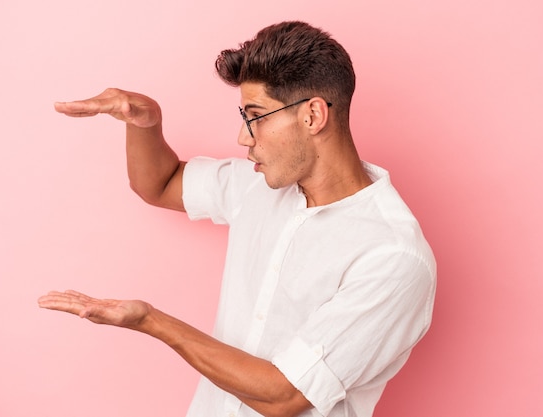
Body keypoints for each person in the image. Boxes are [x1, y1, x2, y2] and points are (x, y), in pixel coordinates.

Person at [38, 21, 437, 417]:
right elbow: (160, 184)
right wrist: (147, 123)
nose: (244, 138)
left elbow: (285, 395)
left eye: (257, 115)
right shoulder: (260, 185)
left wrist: (151, 320)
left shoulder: (394, 256)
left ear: (313, 116)